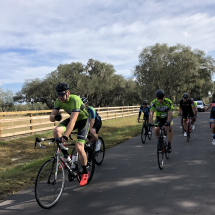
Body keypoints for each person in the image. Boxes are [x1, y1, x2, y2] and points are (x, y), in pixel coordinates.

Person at [50, 82, 90, 187]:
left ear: (68, 93)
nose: (60, 97)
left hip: (83, 121)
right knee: (56, 131)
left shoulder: (75, 99)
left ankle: (85, 172)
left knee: (79, 147)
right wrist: (55, 117)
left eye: (62, 94)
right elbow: (51, 117)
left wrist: (65, 136)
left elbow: (73, 121)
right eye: (57, 95)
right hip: (73, 120)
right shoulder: (58, 100)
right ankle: (66, 157)